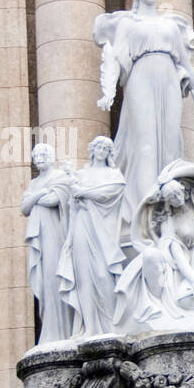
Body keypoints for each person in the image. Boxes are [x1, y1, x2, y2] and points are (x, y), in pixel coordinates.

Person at [94, 0, 194, 236]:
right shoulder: (128, 24)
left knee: (170, 143)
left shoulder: (171, 26)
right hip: (140, 78)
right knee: (145, 143)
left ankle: (168, 210)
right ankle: (144, 212)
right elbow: (114, 59)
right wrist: (109, 93)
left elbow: (188, 67)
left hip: (169, 80)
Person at [113, 159, 194, 338]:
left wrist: (170, 177)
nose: (176, 199)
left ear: (184, 191)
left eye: (177, 193)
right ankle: (166, 311)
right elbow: (177, 254)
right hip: (182, 264)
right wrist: (193, 280)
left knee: (189, 299)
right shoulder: (169, 221)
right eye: (171, 197)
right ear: (166, 201)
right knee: (184, 299)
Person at [58, 136, 127, 339]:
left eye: (105, 148)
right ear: (92, 149)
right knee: (84, 276)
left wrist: (83, 192)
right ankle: (89, 326)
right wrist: (76, 190)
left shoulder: (114, 175)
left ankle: (109, 324)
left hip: (104, 231)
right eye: (98, 146)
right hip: (82, 224)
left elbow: (112, 193)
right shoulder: (80, 174)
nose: (101, 150)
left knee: (103, 274)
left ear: (110, 153)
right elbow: (72, 201)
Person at [21, 143, 75, 345]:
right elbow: (24, 207)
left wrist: (34, 198)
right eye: (36, 155)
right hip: (41, 239)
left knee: (55, 278)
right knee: (44, 283)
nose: (40, 158)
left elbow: (54, 200)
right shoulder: (35, 183)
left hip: (55, 235)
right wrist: (38, 195)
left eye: (44, 154)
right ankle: (49, 331)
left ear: (52, 157)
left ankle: (63, 331)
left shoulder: (60, 177)